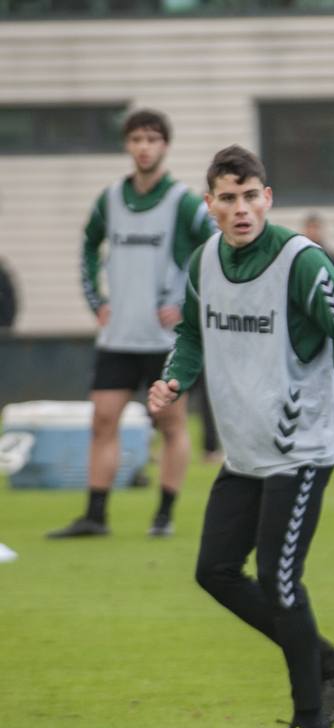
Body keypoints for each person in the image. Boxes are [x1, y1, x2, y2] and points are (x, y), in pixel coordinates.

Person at [148, 145, 334, 728]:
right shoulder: (203, 262)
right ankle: (331, 663)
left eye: (251, 195)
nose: (241, 208)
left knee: (281, 581)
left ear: (267, 198)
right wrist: (175, 378)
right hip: (245, 454)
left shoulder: (301, 263)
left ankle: (312, 723)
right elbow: (191, 338)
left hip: (302, 450)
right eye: (228, 198)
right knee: (215, 572)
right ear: (211, 206)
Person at [48, 109, 215, 539]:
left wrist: (188, 304)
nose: (144, 147)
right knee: (103, 420)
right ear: (127, 145)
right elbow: (87, 247)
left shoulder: (185, 203)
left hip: (166, 342)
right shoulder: (110, 200)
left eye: (153, 139)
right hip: (118, 337)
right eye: (137, 138)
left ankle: (163, 515)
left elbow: (216, 253)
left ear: (165, 146)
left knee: (170, 425)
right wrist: (95, 302)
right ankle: (96, 516)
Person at [301, 212, 334, 285]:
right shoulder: (299, 258)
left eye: (315, 227)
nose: (313, 232)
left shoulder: (332, 259)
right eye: (310, 228)